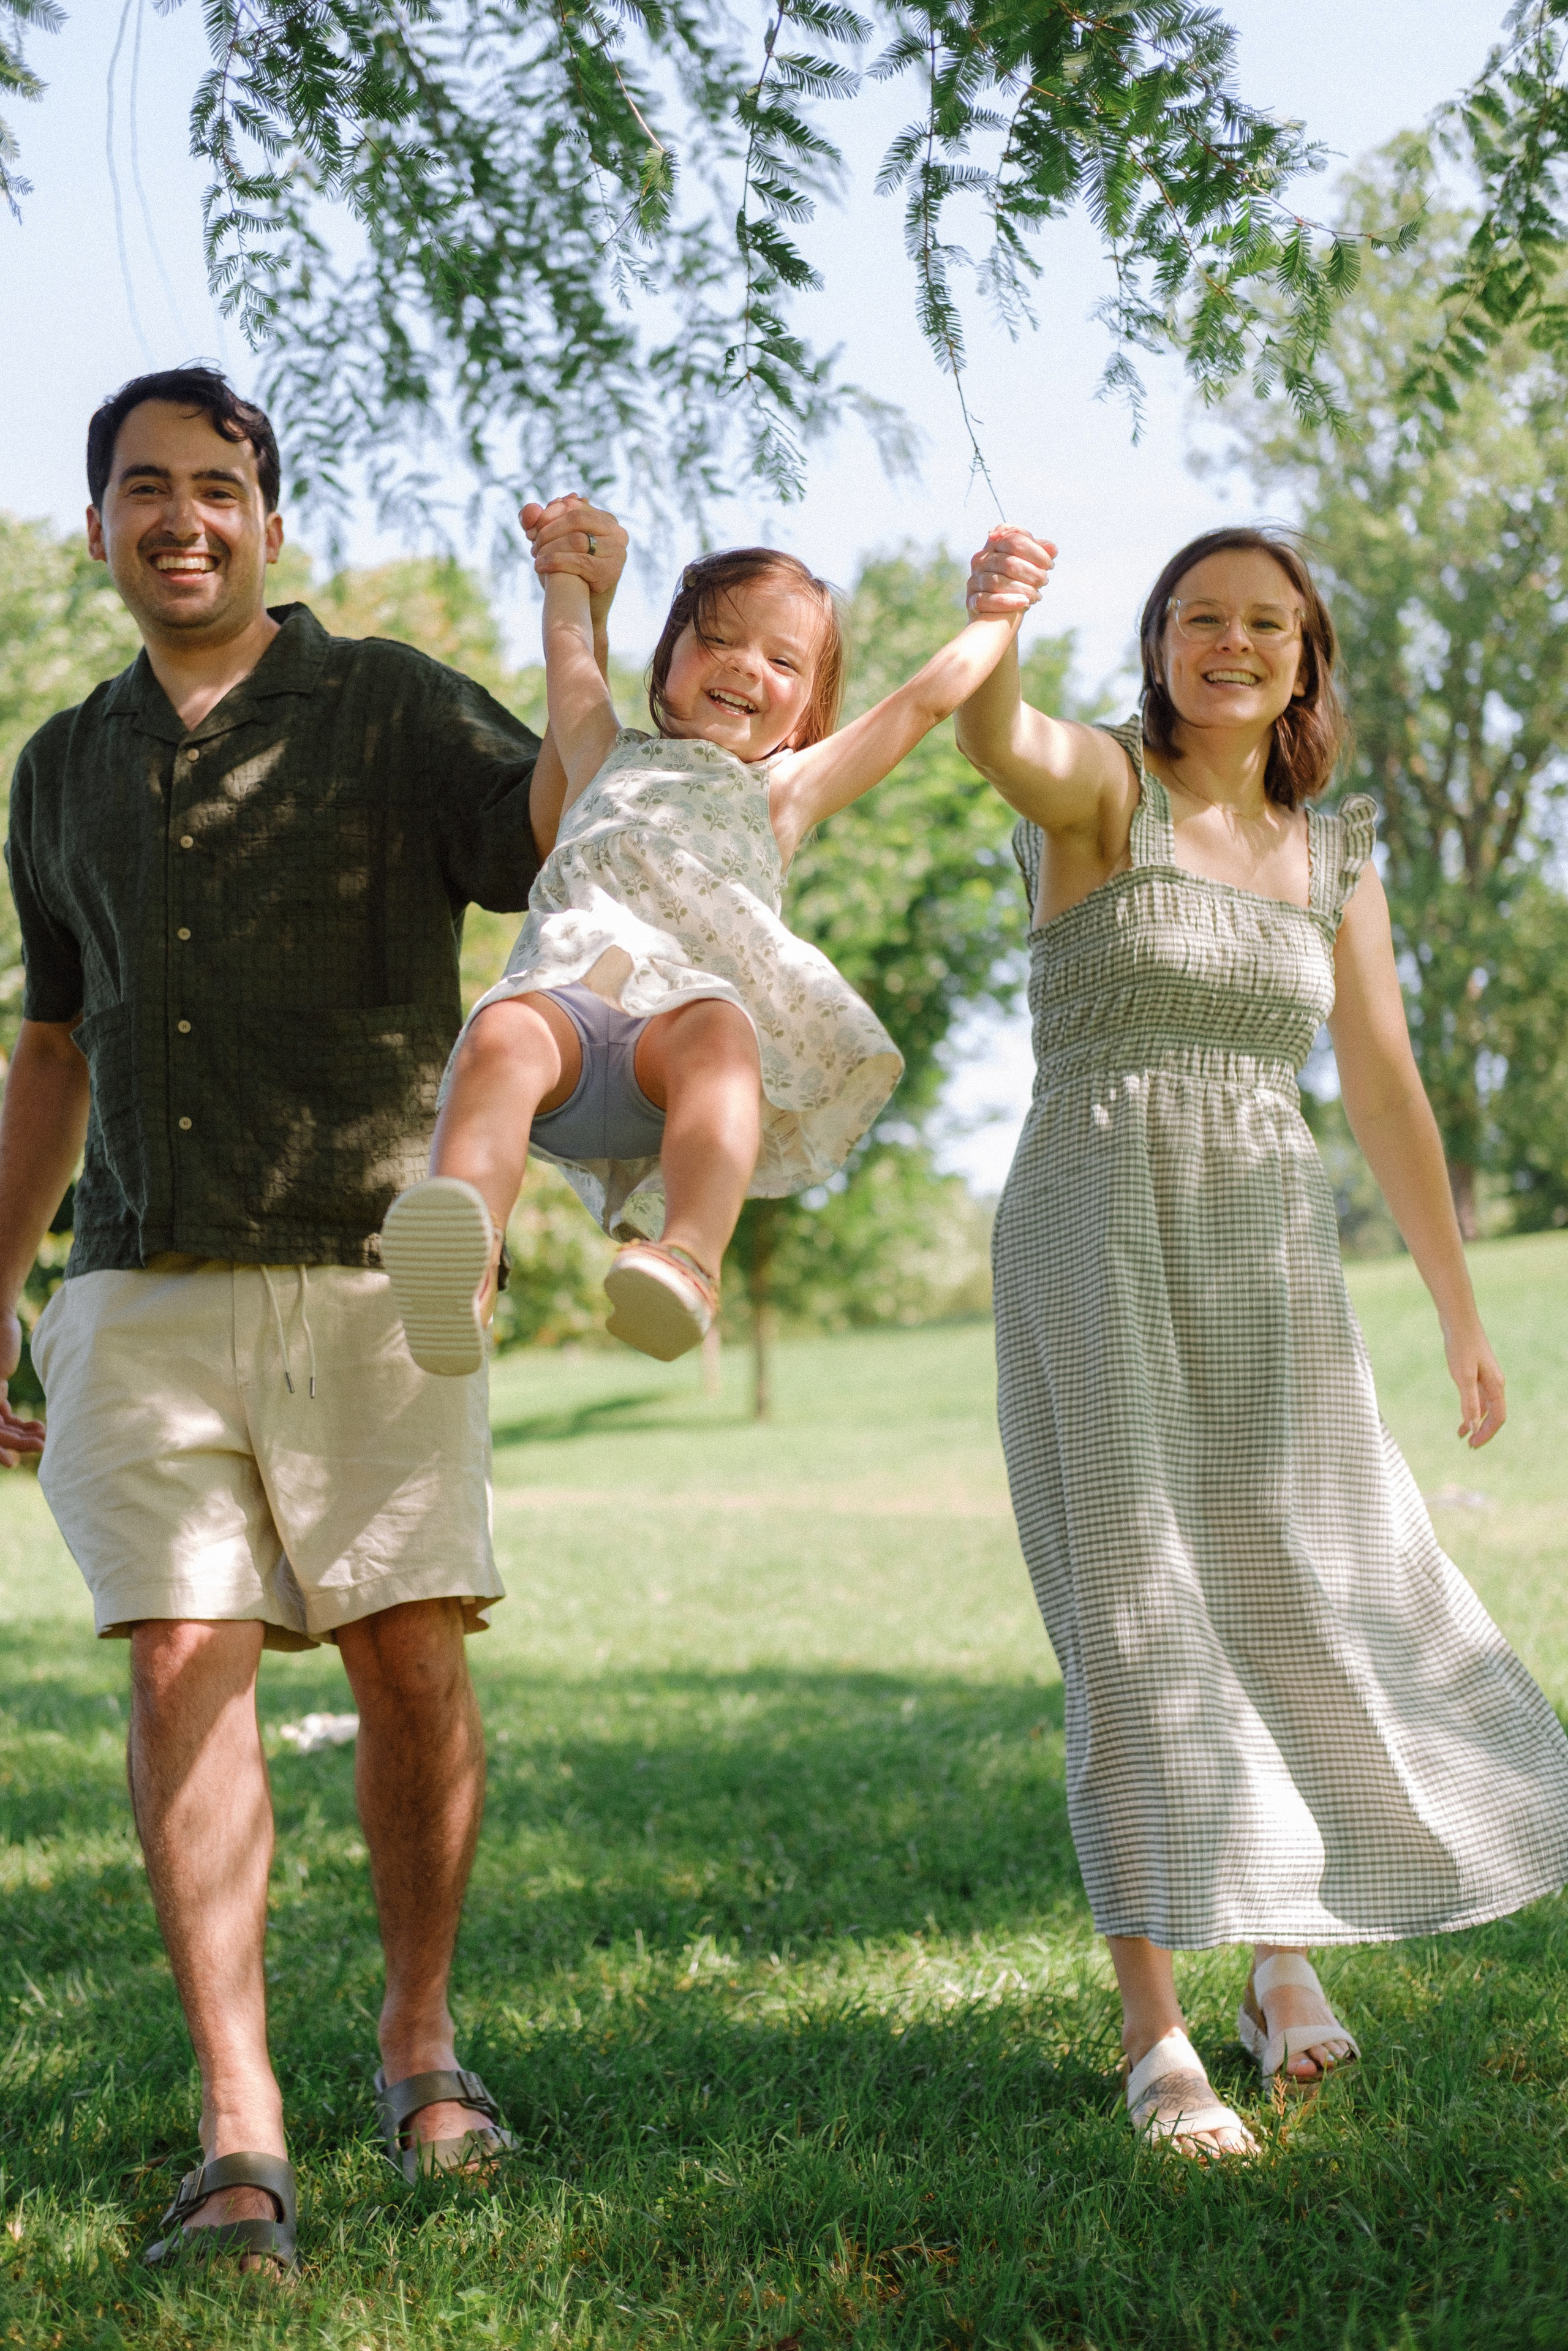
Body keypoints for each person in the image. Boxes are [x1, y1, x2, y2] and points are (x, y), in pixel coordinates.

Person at [0, 366, 628, 2267]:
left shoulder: (385, 703)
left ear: (272, 520)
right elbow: (51, 1046)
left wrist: (579, 619)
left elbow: (564, 833)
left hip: (374, 1270)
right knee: (183, 1664)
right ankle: (239, 2122)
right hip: (137, 1275)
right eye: (139, 489)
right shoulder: (57, 765)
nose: (178, 516)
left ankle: (420, 2038)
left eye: (214, 485)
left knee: (410, 1665)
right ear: (99, 526)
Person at [955, 521, 1568, 2159]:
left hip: (1266, 1241)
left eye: (1267, 624)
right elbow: (991, 735)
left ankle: (1280, 1957)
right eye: (1201, 617)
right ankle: (1157, 2029)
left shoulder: (1331, 848)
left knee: (1302, 1586)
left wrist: (1457, 1309)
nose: (1233, 643)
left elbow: (1382, 1085)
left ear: (1306, 661)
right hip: (1095, 1221)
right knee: (1138, 1608)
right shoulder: (1099, 788)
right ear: (1158, 640)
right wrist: (997, 624)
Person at [380, 530, 1039, 1372]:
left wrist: (1000, 614)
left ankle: (685, 1258)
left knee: (722, 1032)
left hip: (672, 1063)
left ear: (807, 713)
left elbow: (920, 703)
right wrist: (565, 576)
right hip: (567, 1033)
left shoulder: (782, 791)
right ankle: (460, 1262)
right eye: (717, 638)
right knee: (502, 1030)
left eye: (783, 661)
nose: (743, 666)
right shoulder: (597, 754)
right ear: (669, 658)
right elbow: (569, 649)